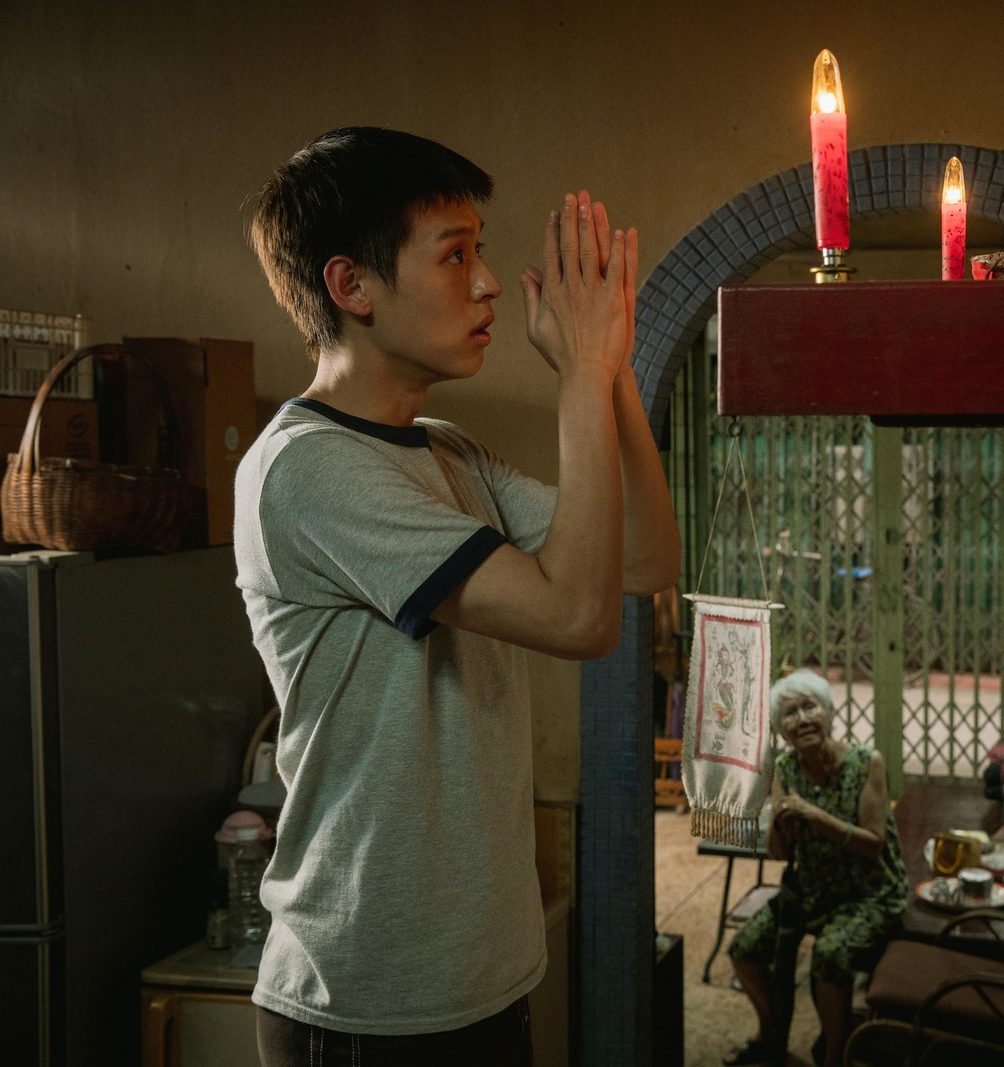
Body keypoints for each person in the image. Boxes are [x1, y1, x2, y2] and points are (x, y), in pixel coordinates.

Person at [235, 127, 680, 1065]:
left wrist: (610, 372)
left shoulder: (447, 451)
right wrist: (579, 379)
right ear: (352, 286)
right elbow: (578, 618)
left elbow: (643, 559)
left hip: (479, 977)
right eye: (454, 255)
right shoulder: (307, 468)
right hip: (366, 1000)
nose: (487, 284)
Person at [724, 670, 909, 1067]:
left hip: (869, 894)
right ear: (781, 730)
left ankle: (834, 1056)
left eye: (810, 707)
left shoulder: (866, 763)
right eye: (790, 713)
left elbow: (873, 844)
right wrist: (780, 826)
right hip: (810, 891)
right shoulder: (785, 769)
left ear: (829, 713)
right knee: (743, 949)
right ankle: (770, 1035)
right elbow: (778, 853)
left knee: (829, 955)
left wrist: (814, 815)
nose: (803, 719)